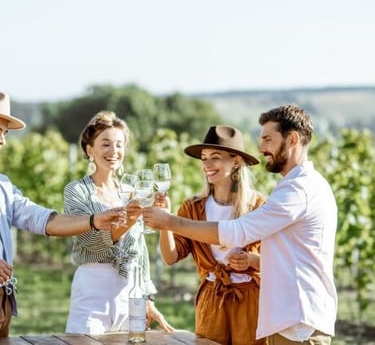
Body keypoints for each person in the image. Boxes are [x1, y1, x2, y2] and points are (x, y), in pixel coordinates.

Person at [143, 104, 338, 345]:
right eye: (204, 159)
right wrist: (167, 223)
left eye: (267, 138)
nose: (262, 147)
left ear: (293, 139)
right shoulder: (298, 187)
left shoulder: (296, 191)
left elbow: (237, 232)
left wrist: (169, 221)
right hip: (284, 318)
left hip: (296, 321)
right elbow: (285, 257)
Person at [0, 92, 126, 338]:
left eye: (5, 133)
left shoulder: (3, 186)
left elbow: (44, 219)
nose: (3, 141)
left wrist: (93, 221)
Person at [63, 110, 174, 334]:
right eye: (106, 144)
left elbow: (139, 252)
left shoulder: (133, 193)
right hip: (93, 289)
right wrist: (130, 220)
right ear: (89, 150)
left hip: (130, 292)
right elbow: (89, 241)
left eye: (120, 144)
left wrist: (147, 298)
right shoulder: (76, 191)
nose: (114, 151)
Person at [154, 125, 267, 345]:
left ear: (235, 162)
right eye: (204, 158)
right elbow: (170, 257)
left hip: (250, 300)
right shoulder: (193, 208)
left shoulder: (259, 206)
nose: (207, 165)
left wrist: (252, 260)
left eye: (215, 157)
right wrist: (165, 220)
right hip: (212, 300)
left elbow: (277, 262)